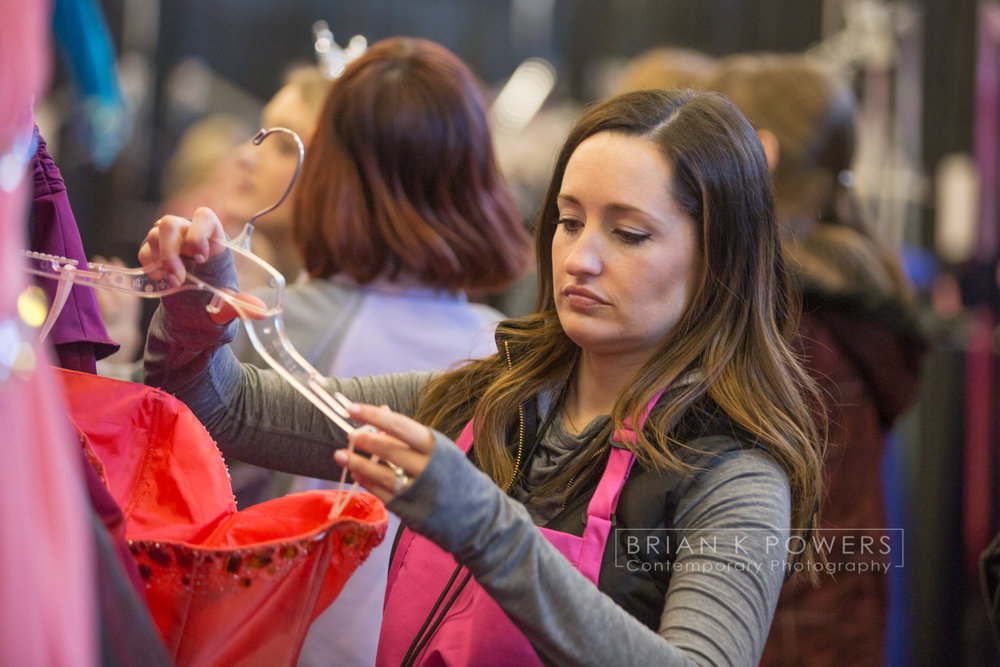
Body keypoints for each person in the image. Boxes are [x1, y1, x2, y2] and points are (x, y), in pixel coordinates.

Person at [140, 86, 825, 665]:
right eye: (568, 220)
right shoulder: (481, 400)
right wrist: (199, 309)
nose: (580, 258)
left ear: (718, 259)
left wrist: (486, 526)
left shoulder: (736, 476)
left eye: (628, 233)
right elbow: (220, 409)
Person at [225, 36, 531, 666]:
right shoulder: (508, 345)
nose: (249, 158)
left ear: (329, 171)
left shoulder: (284, 322)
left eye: (289, 142)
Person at [705, 53, 928, 665]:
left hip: (782, 635)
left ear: (761, 152)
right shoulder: (834, 297)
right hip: (828, 622)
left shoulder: (786, 327)